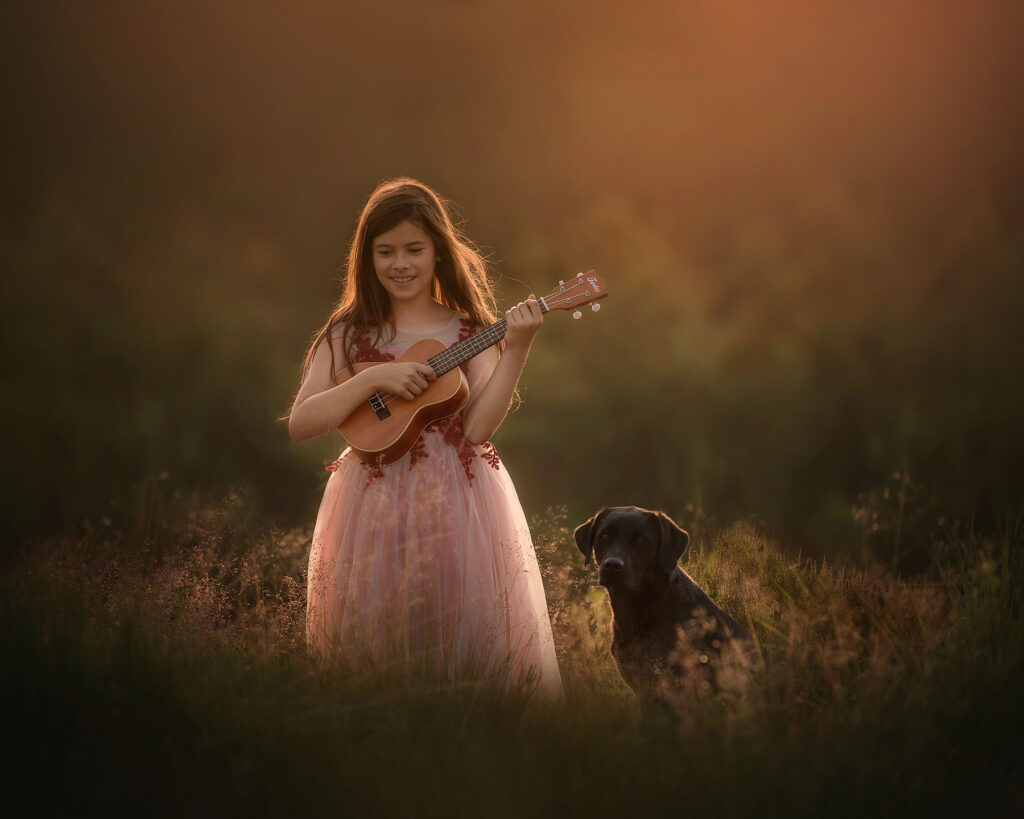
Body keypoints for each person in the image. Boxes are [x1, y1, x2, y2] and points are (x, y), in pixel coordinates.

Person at [288, 178, 563, 699]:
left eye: (414, 249)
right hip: (369, 501)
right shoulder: (347, 333)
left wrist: (518, 348)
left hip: (459, 501)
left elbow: (478, 429)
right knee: (373, 642)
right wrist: (372, 378)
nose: (400, 263)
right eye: (385, 251)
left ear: (438, 252)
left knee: (461, 635)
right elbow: (303, 424)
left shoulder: (470, 329)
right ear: (366, 257)